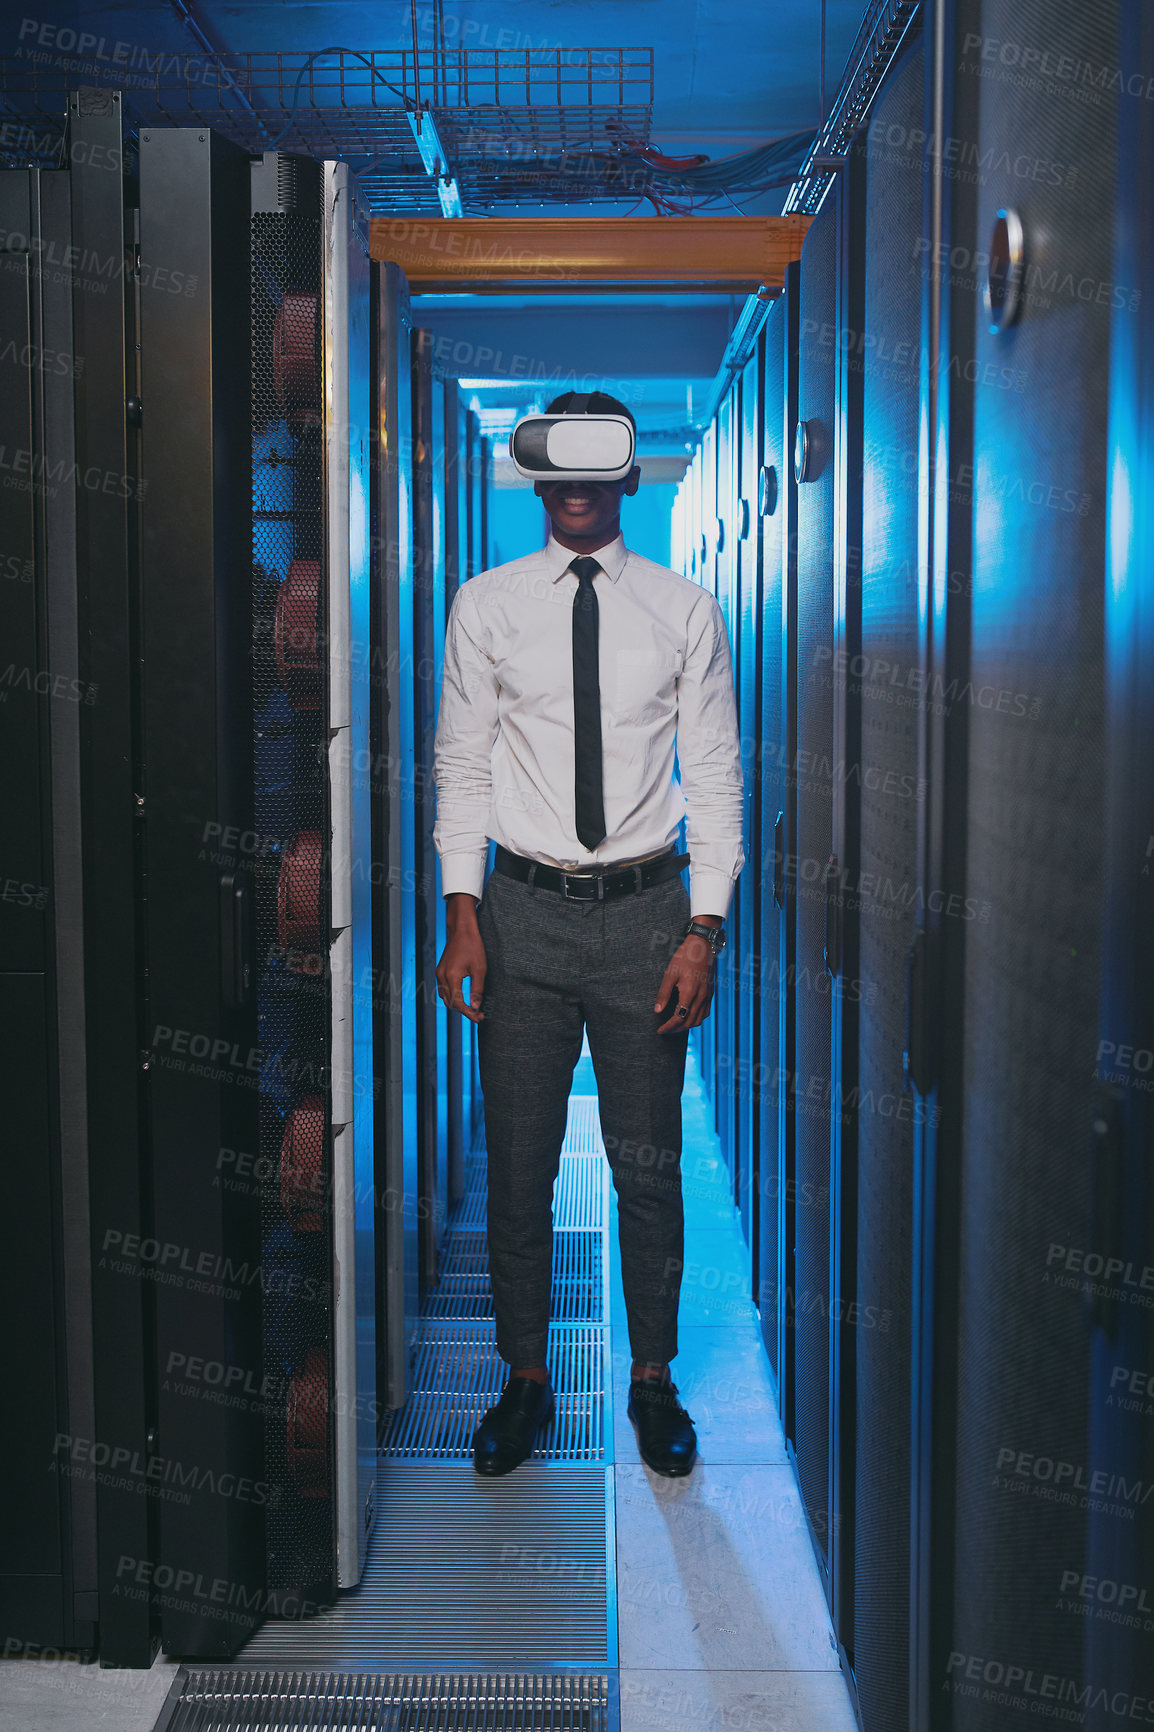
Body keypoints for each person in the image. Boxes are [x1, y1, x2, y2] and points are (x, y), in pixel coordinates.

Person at [432, 389, 744, 1479]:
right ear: (534, 475)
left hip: (644, 916)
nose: (572, 486)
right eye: (553, 467)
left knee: (644, 1167)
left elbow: (712, 775)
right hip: (515, 915)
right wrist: (460, 911)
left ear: (624, 477)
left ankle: (650, 1379)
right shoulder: (483, 606)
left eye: (592, 467)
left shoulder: (683, 610)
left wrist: (702, 927)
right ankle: (524, 1378)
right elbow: (461, 764)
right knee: (515, 1167)